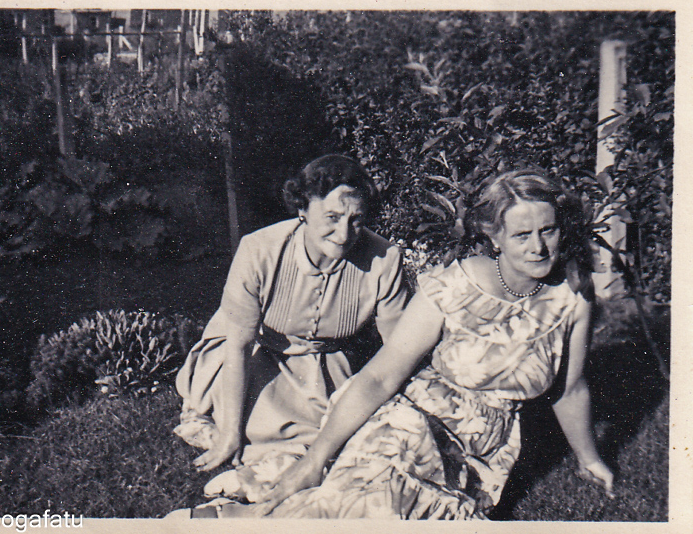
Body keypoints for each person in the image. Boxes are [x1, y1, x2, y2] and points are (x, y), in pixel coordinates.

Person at [187, 169, 614, 519]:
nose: (539, 247)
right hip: (414, 417)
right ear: (494, 235)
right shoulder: (454, 284)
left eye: (548, 230)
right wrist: (314, 459)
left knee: (393, 505)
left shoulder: (572, 297)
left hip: (483, 449)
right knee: (380, 494)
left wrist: (589, 459)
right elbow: (382, 373)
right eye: (522, 235)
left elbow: (570, 389)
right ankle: (238, 519)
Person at [173, 154, 410, 509]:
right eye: (331, 218)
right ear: (303, 209)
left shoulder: (384, 259)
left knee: (340, 428)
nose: (344, 234)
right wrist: (228, 435)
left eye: (356, 220)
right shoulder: (259, 250)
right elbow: (238, 347)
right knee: (260, 426)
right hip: (253, 353)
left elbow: (397, 352)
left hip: (324, 363)